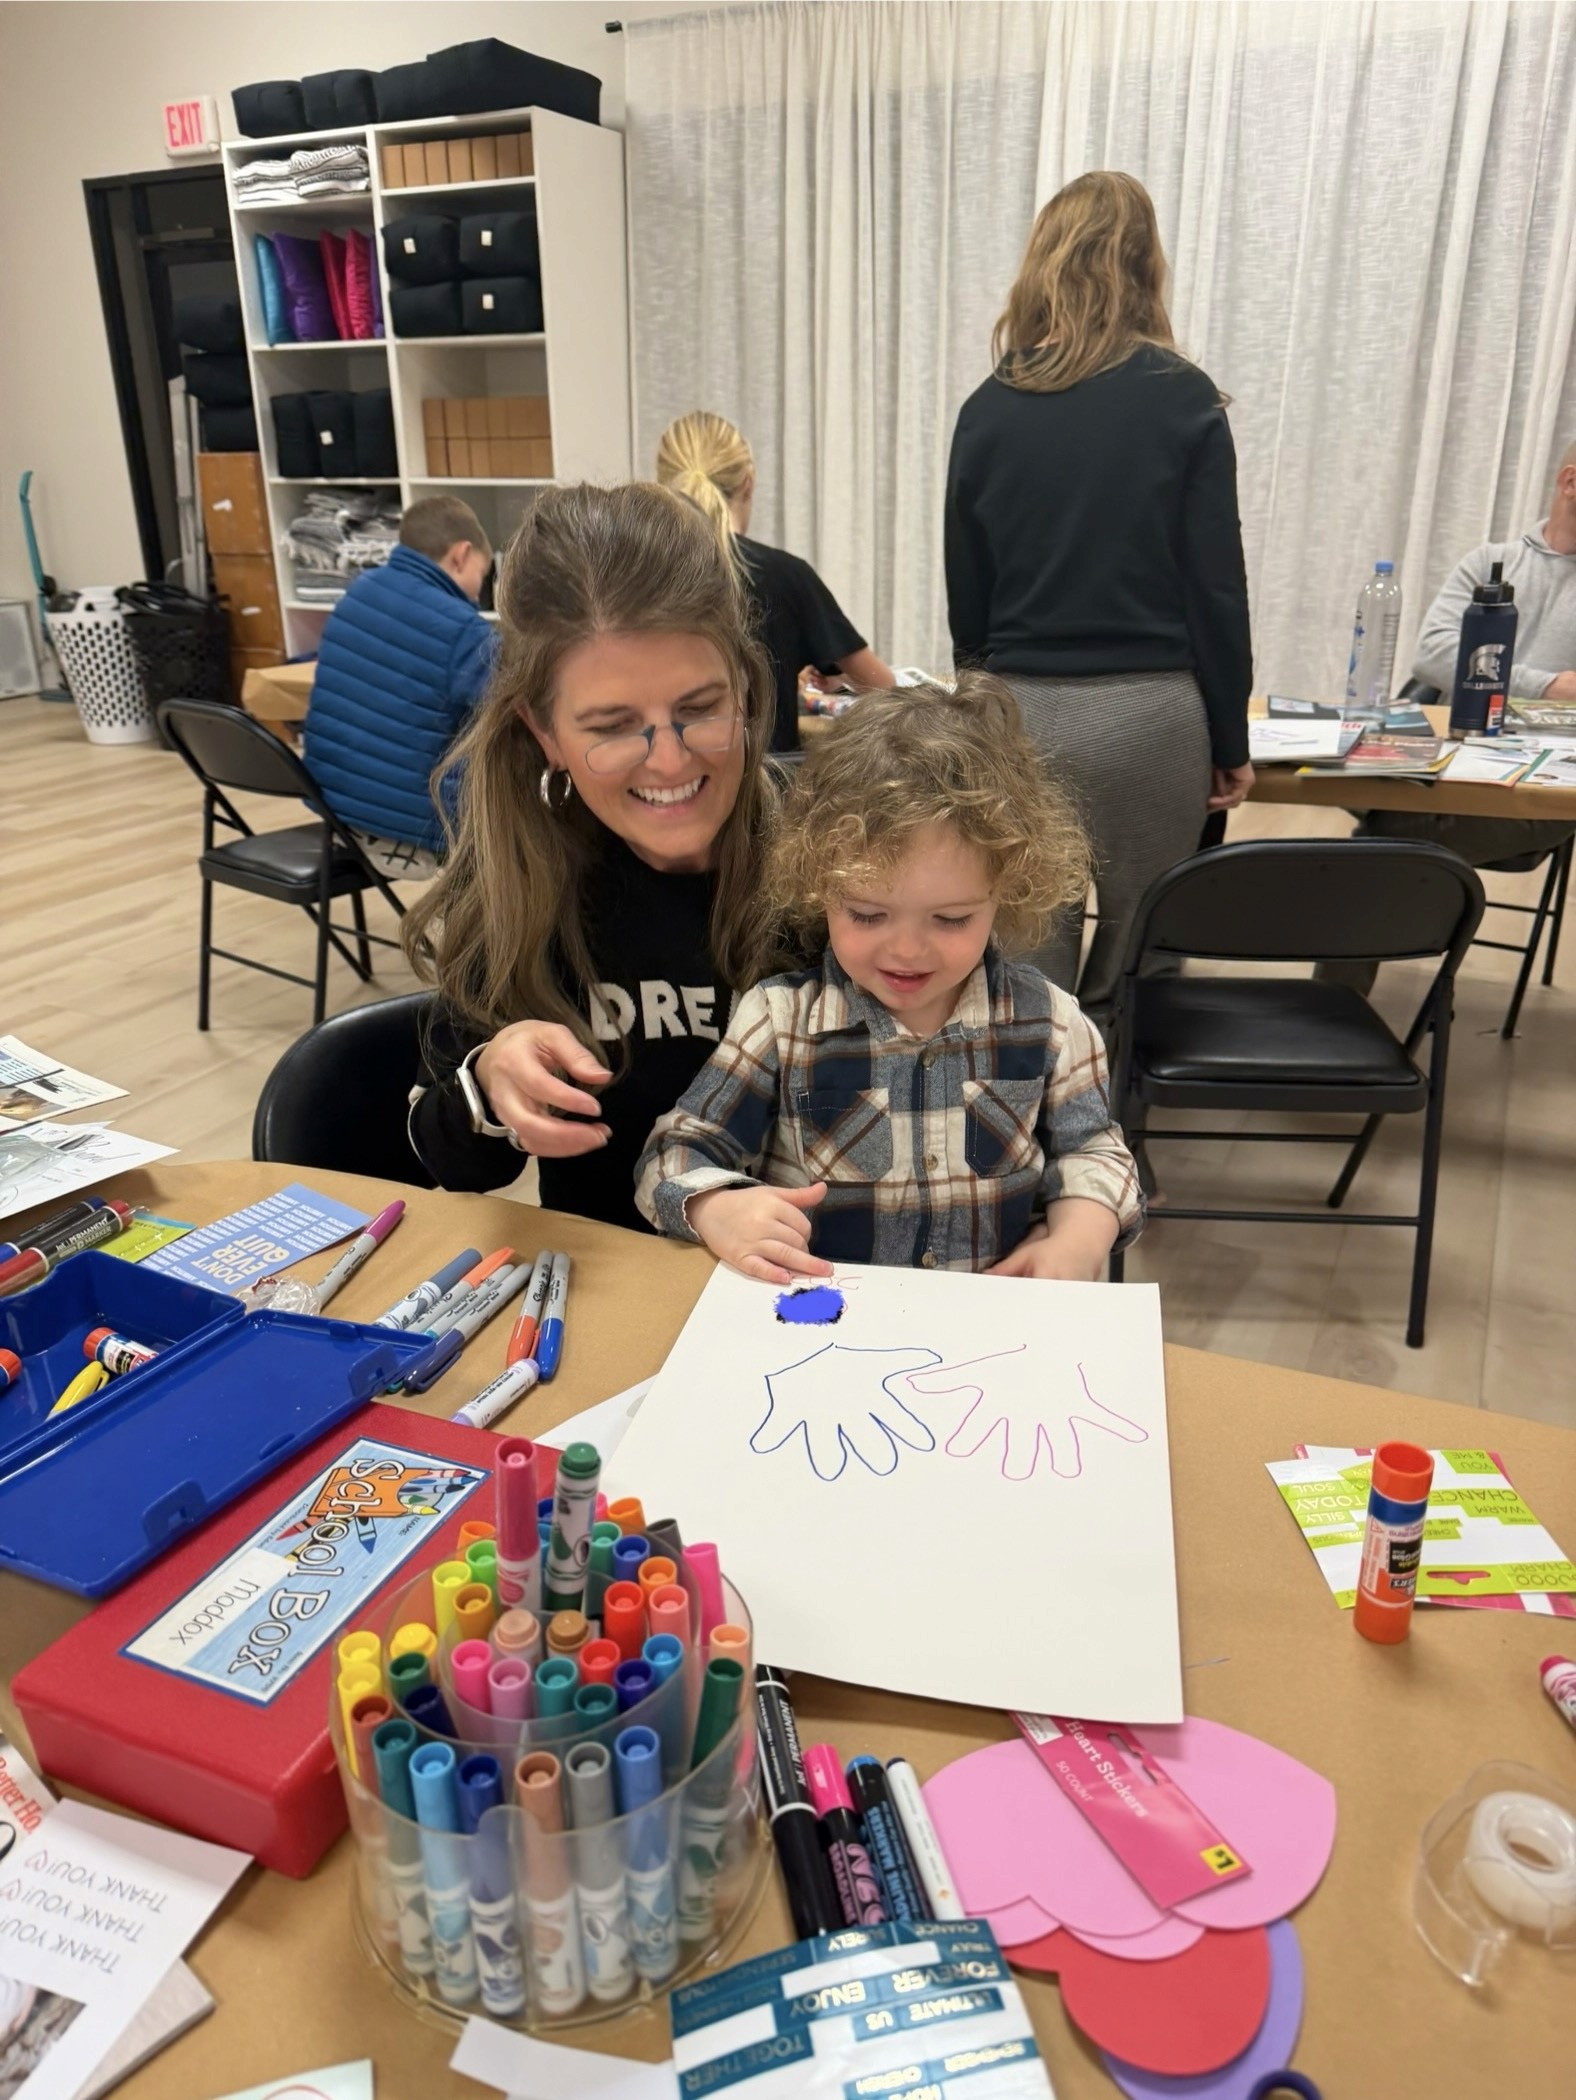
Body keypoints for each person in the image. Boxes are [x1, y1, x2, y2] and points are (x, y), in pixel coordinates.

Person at [635, 676, 1144, 1282]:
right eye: (867, 915)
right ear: (819, 886)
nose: (906, 950)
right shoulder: (780, 1023)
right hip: (822, 1320)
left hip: (987, 1322)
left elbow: (1095, 1150)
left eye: (951, 919)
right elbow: (674, 1152)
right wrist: (717, 1207)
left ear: (1007, 891)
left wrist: (1080, 1235)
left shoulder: (1051, 1023)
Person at [402, 481, 778, 1233]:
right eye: (612, 726)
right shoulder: (521, 883)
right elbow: (451, 1161)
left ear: (743, 687)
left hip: (821, 1280)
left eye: (700, 708)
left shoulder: (836, 858)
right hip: (615, 1277)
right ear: (544, 733)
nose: (668, 761)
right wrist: (491, 1082)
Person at [944, 171, 1254, 1023]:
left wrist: (982, 714)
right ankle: (1119, 1097)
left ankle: (1035, 1100)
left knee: (1026, 964)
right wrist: (1229, 734)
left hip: (1022, 718)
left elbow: (967, 594)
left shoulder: (989, 406)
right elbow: (1216, 589)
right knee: (1141, 959)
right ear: (1146, 266)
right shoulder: (1185, 396)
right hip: (1154, 718)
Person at [1337, 441, 1576, 897]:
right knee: (1376, 824)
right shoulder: (1489, 562)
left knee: (1385, 838)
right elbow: (1433, 654)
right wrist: (1546, 686)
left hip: (1543, 787)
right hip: (1448, 759)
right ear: (1570, 482)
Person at [655, 411, 895, 751]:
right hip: (768, 781)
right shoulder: (785, 576)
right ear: (748, 483)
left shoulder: (641, 578)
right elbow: (883, 687)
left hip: (668, 772)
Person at [305, 496, 496, 877]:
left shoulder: (357, 592)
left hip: (335, 810)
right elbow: (517, 706)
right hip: (413, 829)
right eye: (482, 574)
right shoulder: (462, 629)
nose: (477, 594)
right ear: (460, 555)